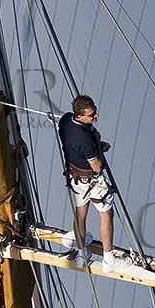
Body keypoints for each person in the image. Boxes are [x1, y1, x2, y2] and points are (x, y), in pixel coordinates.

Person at [57, 94, 118, 268]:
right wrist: (100, 148)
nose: (96, 117)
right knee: (106, 214)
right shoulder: (85, 140)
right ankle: (108, 259)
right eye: (91, 115)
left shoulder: (66, 120)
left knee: (80, 216)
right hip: (92, 183)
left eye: (95, 112)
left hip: (75, 180)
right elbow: (97, 166)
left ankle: (82, 254)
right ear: (80, 116)